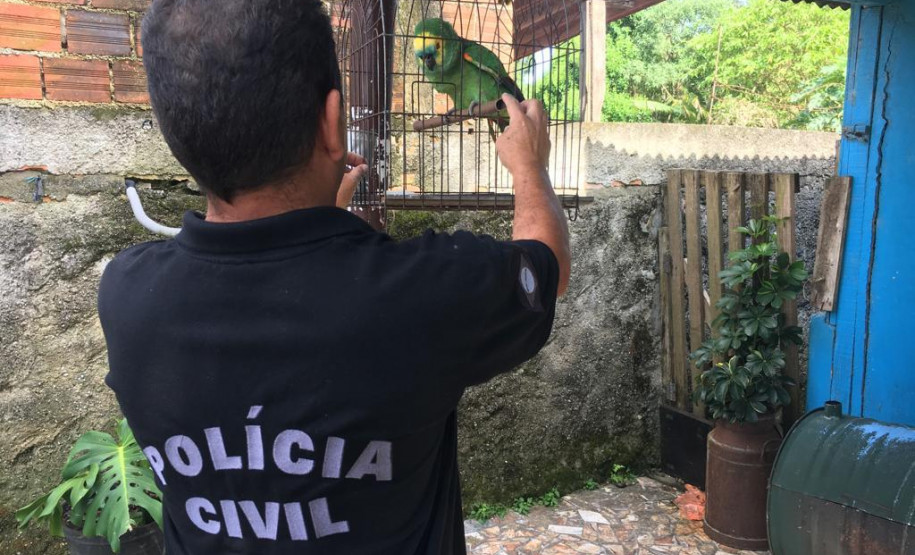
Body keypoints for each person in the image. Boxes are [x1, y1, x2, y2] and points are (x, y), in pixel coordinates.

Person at [97, 1, 571, 554]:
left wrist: (321, 214)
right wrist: (529, 166)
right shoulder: (422, 293)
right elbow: (547, 265)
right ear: (331, 121)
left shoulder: (128, 295)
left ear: (176, 132)